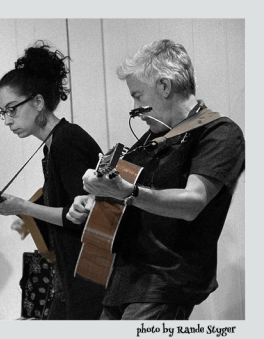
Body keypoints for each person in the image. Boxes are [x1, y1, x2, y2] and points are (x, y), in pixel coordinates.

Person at [66, 39, 245, 320]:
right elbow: (123, 192)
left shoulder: (219, 133)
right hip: (121, 281)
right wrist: (92, 198)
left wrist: (127, 192)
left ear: (164, 86)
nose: (135, 108)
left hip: (164, 285)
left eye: (138, 95)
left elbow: (193, 202)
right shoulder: (152, 137)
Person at [0, 41, 106, 320]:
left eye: (12, 109)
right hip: (72, 276)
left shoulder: (66, 142)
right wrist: (30, 218)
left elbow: (79, 215)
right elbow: (65, 198)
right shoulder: (55, 143)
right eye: (3, 112)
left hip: (89, 277)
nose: (7, 120)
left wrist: (25, 208)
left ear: (38, 102)